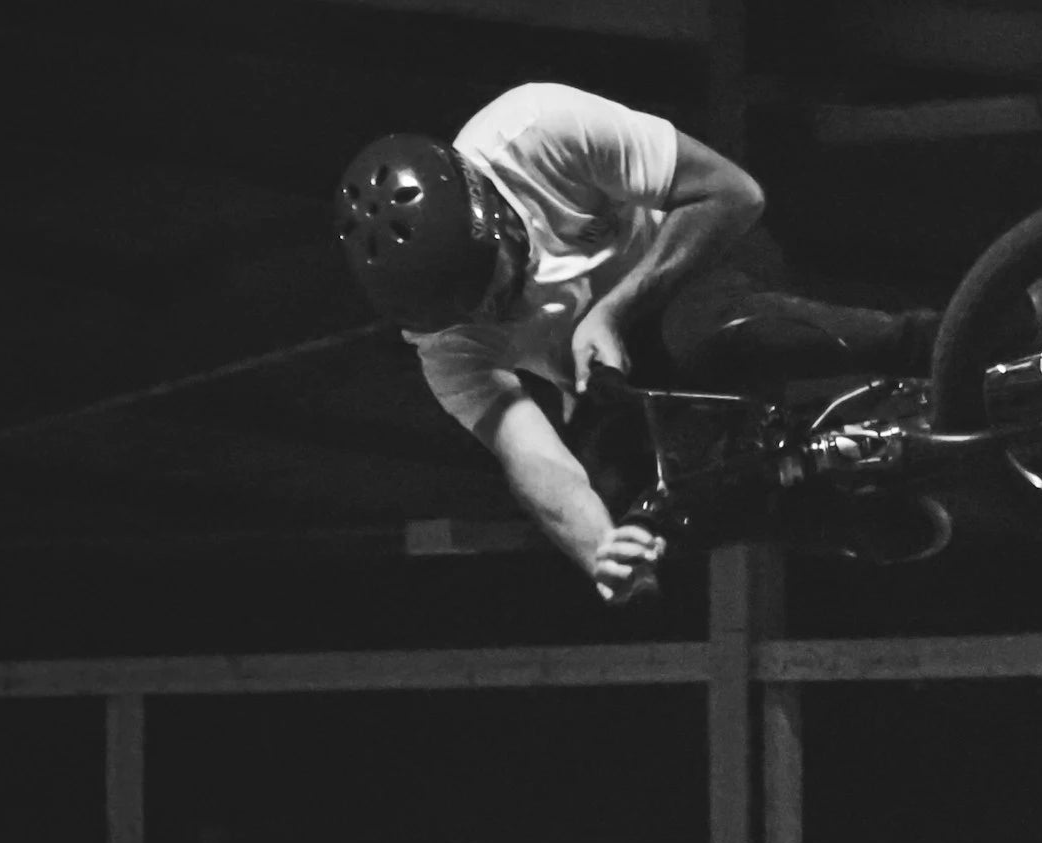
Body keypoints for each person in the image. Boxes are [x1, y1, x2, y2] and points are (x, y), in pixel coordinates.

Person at [335, 84, 937, 601]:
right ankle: (834, 516)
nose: (491, 312)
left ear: (492, 214)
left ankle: (930, 341)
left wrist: (616, 309)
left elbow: (734, 194)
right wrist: (604, 549)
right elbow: (533, 457)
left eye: (487, 285)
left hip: (698, 267)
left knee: (702, 337)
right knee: (637, 495)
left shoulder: (539, 130)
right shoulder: (442, 341)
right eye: (469, 312)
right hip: (618, 372)